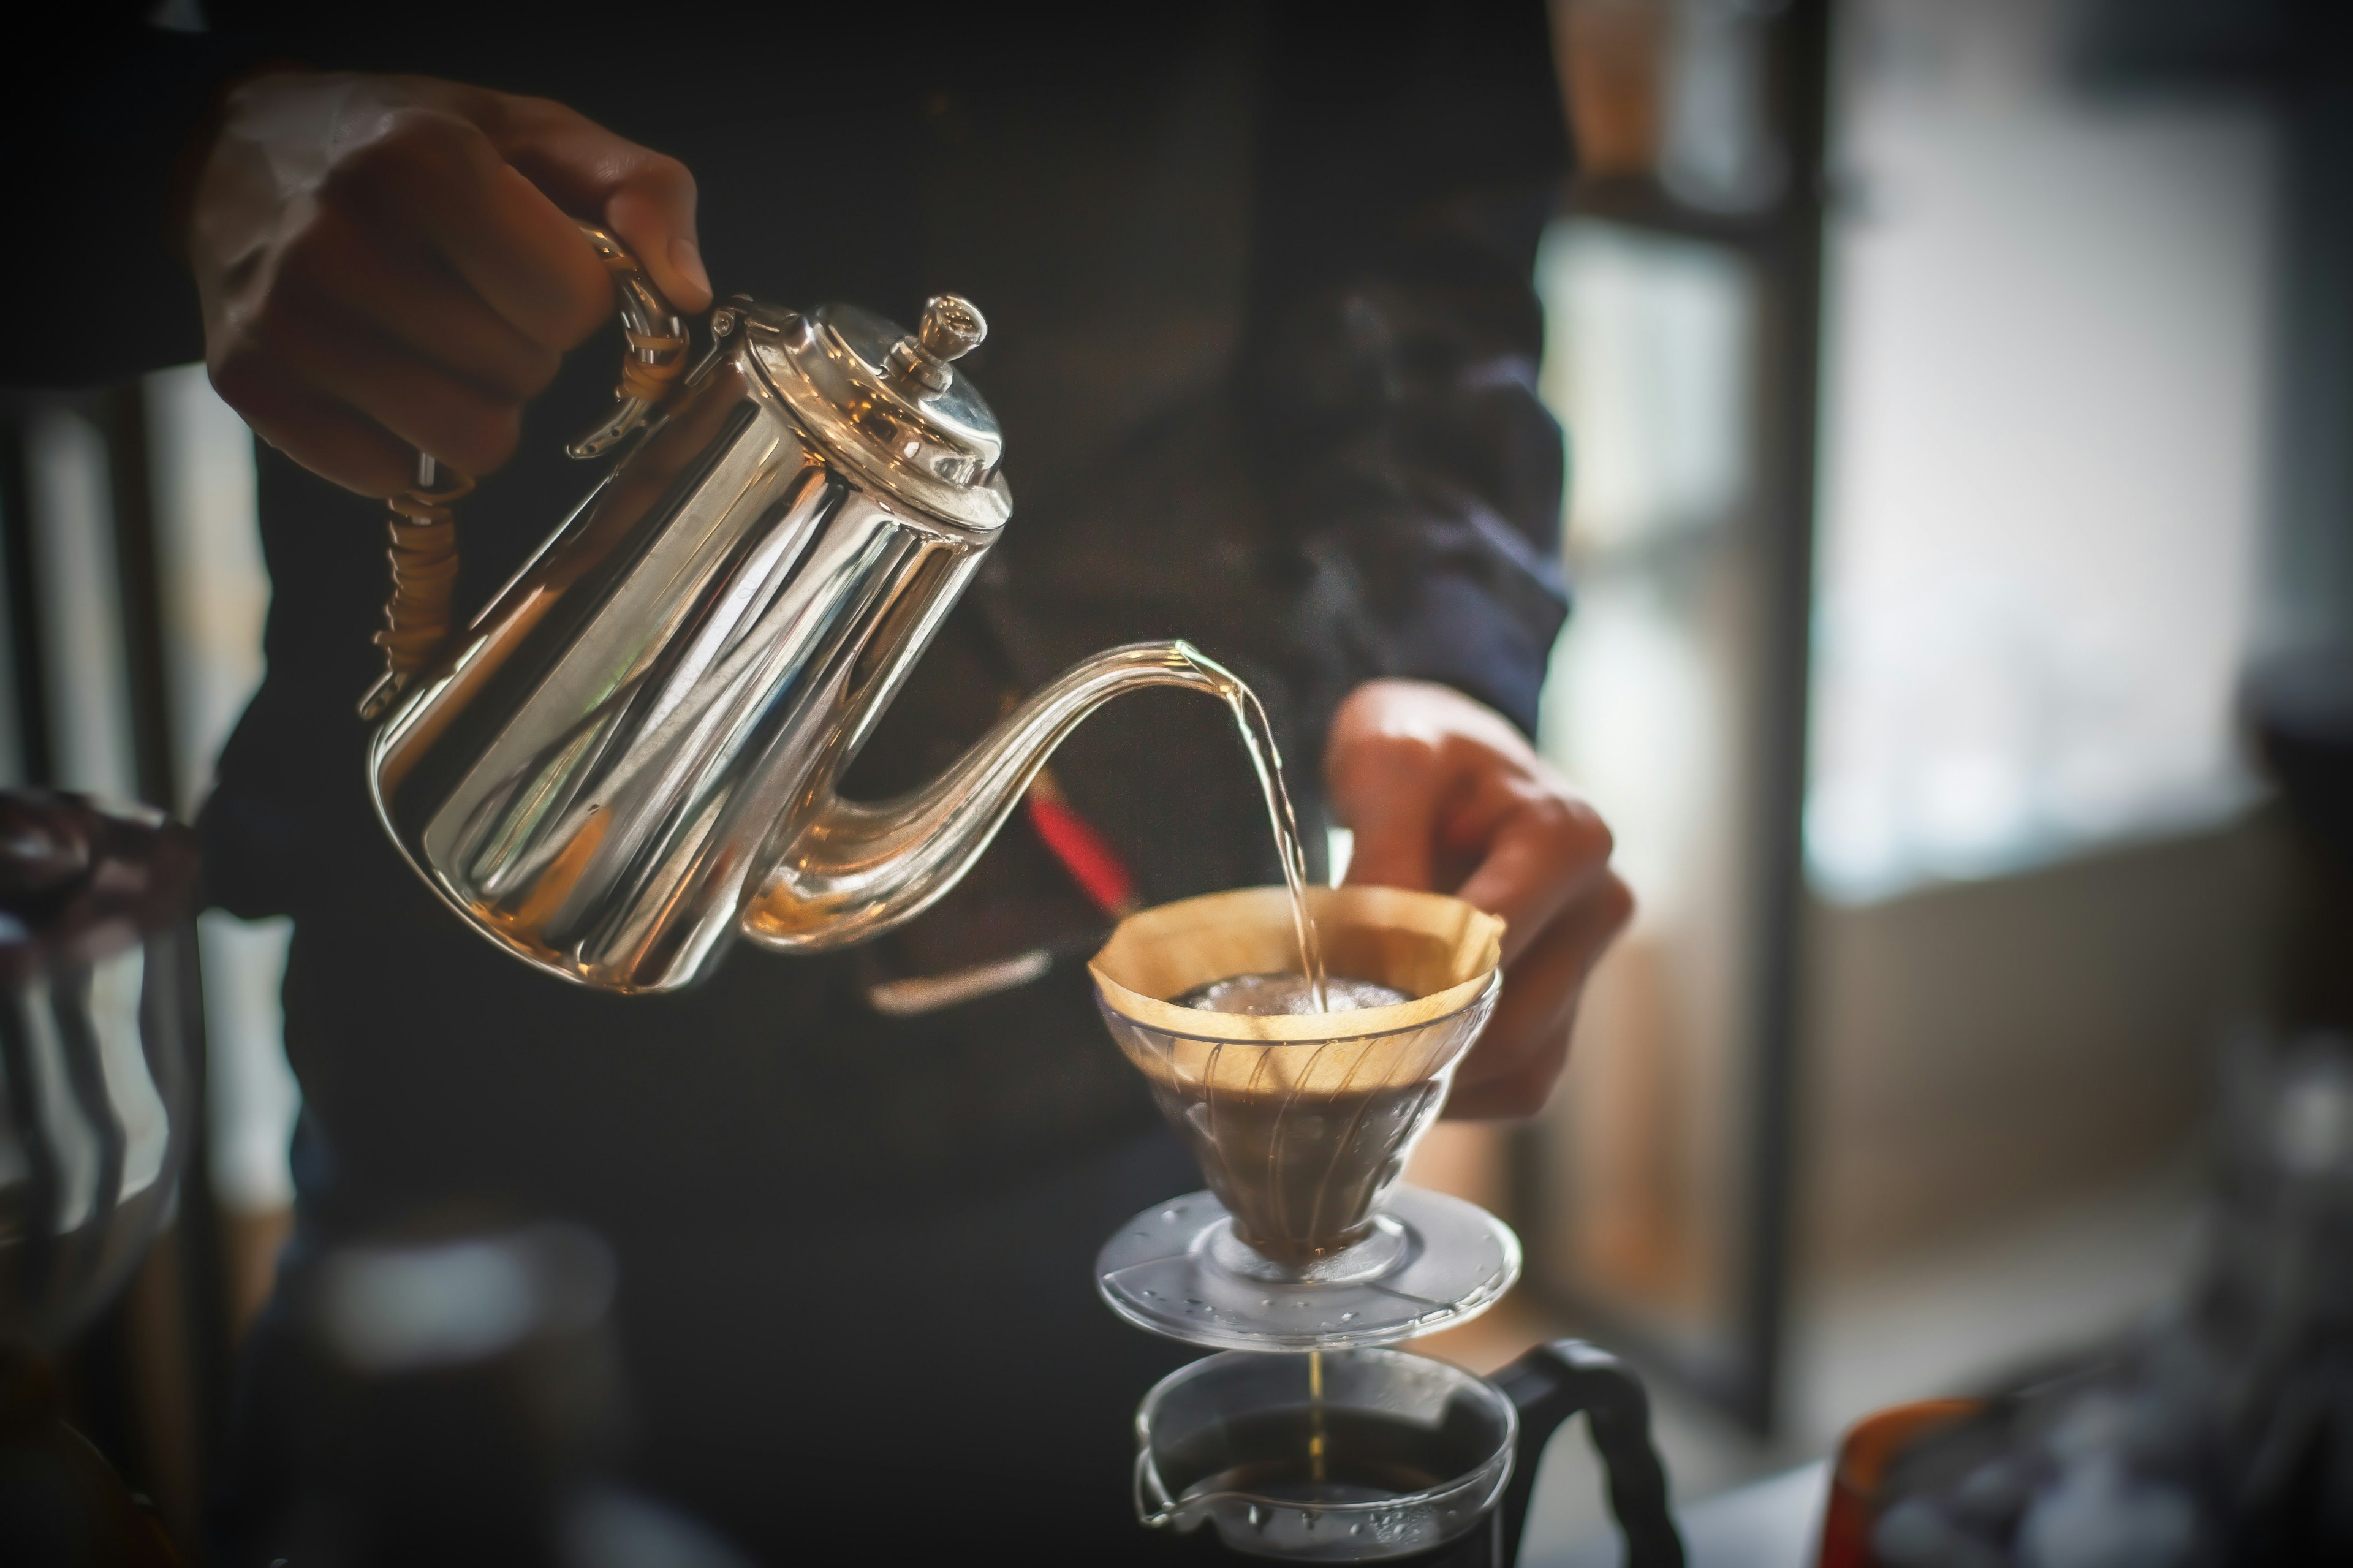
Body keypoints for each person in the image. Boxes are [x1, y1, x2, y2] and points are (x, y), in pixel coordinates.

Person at [15, 4, 1632, 1558]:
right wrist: (198, 145)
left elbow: (1422, 212)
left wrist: (1433, 659)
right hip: (498, 1129)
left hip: (1143, 1098)